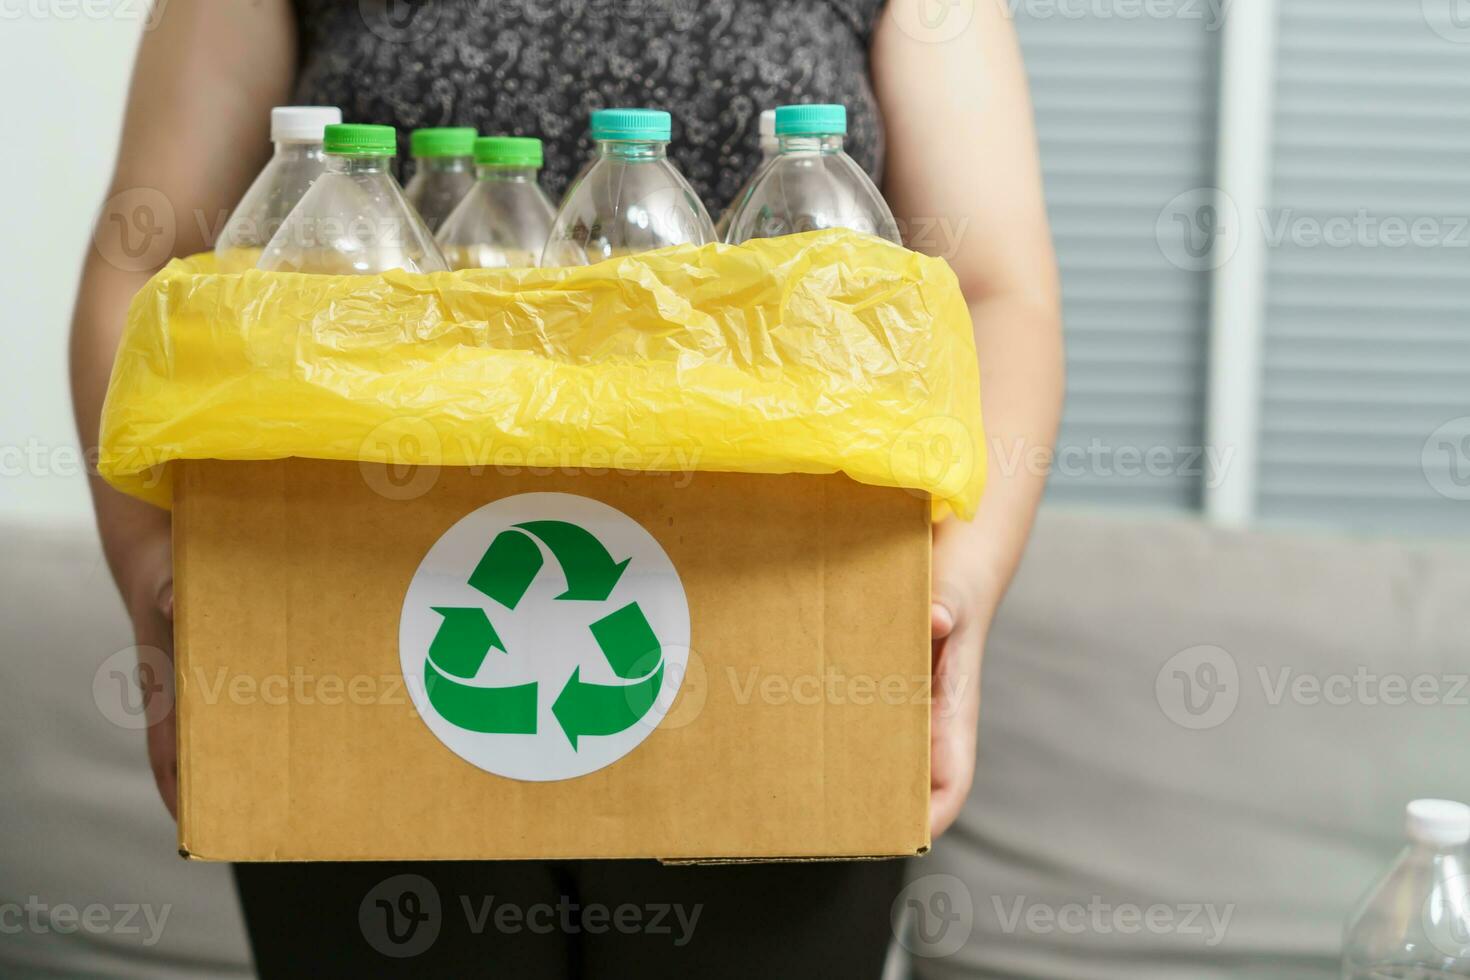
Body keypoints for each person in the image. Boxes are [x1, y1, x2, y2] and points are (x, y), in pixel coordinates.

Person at [69, 0, 1062, 976]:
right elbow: (146, 259)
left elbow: (990, 287)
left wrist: (956, 583)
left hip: (781, 619)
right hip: (348, 610)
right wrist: (159, 567)